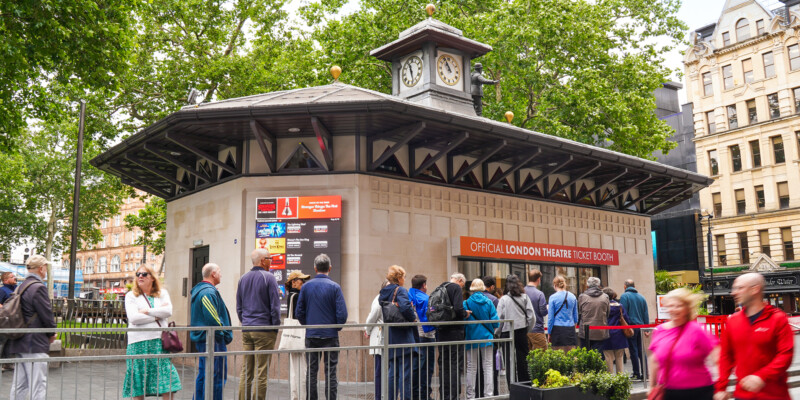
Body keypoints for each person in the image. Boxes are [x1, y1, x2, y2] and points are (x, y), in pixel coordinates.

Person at [714, 273, 794, 400]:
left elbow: (786, 354)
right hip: (743, 395)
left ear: (754, 289)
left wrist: (761, 376)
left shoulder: (778, 318)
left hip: (775, 395)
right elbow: (726, 356)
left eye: (740, 288)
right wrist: (721, 388)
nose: (733, 293)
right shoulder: (732, 321)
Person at [122, 266, 181, 399]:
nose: (140, 276)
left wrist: (147, 311)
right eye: (138, 274)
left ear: (152, 278)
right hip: (137, 343)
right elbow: (134, 318)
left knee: (167, 381)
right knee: (137, 382)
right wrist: (157, 315)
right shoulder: (131, 296)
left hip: (158, 342)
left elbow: (168, 311)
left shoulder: (162, 293)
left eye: (144, 274)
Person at [649, 288, 718, 400]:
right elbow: (654, 360)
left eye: (678, 306)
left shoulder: (697, 331)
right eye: (671, 306)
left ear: (687, 308)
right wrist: (652, 386)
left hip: (699, 392)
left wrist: (721, 388)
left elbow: (717, 358)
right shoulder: (659, 330)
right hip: (668, 392)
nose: (674, 309)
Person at [295, 254, 348, 400]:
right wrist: (335, 327)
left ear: (315, 268)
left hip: (312, 335)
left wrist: (309, 325)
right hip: (331, 336)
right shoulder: (335, 288)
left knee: (311, 371)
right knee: (331, 372)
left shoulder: (305, 287)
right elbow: (342, 314)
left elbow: (299, 312)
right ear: (330, 268)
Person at [5, 255, 56, 400]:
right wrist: (51, 332)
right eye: (46, 268)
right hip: (35, 343)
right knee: (38, 386)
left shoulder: (21, 286)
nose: (46, 271)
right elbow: (46, 314)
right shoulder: (38, 288)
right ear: (41, 269)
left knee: (19, 386)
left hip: (20, 341)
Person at [236, 248, 281, 400]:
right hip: (264, 330)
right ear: (263, 261)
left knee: (246, 371)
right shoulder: (269, 278)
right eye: (270, 259)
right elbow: (275, 307)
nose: (271, 262)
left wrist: (246, 322)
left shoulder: (243, 278)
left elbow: (239, 307)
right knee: (261, 372)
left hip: (247, 329)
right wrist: (274, 328)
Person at [190, 263, 233, 400]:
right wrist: (224, 333)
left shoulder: (204, 290)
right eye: (219, 272)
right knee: (216, 376)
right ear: (213, 274)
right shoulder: (208, 292)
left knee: (204, 374)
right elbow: (212, 318)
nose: (221, 274)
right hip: (213, 339)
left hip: (207, 339)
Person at [379, 265, 418, 400]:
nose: (404, 280)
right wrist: (413, 318)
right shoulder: (400, 290)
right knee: (405, 373)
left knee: (392, 372)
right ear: (399, 277)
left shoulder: (384, 291)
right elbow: (406, 307)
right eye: (404, 277)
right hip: (403, 337)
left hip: (391, 336)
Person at [463, 279, 499, 400]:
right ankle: (488, 395)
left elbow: (463, 321)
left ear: (472, 289)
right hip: (487, 338)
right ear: (483, 288)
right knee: (488, 366)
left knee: (471, 367)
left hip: (471, 338)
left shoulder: (466, 303)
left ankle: (470, 396)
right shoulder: (488, 302)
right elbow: (496, 323)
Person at [496, 274, 534, 385]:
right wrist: (527, 329)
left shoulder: (503, 299)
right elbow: (532, 317)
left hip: (506, 332)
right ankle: (525, 384)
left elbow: (500, 319)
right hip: (521, 331)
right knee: (523, 359)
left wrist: (497, 333)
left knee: (509, 360)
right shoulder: (525, 297)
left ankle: (511, 386)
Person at [436, 273, 469, 400]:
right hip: (455, 332)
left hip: (442, 331)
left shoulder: (441, 287)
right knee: (455, 364)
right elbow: (458, 309)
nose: (462, 287)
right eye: (463, 284)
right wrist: (465, 313)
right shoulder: (455, 288)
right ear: (460, 280)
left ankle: (444, 395)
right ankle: (454, 396)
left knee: (444, 363)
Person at [408, 274, 435, 400]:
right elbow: (432, 316)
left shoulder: (409, 295)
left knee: (415, 367)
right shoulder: (426, 299)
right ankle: (424, 395)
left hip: (414, 336)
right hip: (427, 336)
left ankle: (414, 394)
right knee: (426, 368)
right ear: (423, 285)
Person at [286, 269, 310, 400]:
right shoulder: (298, 296)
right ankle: (301, 396)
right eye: (302, 280)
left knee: (295, 370)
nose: (304, 282)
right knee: (302, 369)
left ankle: (295, 396)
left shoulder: (291, 295)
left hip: (293, 336)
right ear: (294, 282)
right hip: (299, 335)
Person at [619, 279, 649, 381]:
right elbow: (645, 313)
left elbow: (623, 313)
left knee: (633, 350)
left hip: (631, 326)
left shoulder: (624, 296)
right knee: (641, 350)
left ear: (625, 286)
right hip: (641, 327)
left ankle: (636, 373)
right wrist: (646, 328)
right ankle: (646, 373)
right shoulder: (642, 297)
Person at [365, 281, 389, 400]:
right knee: (380, 371)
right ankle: (379, 396)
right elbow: (372, 317)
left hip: (388, 340)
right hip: (380, 340)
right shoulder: (379, 299)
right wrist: (367, 330)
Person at [477, 276, 499, 397]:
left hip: (475, 337)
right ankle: (492, 393)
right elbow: (497, 320)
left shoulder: (470, 300)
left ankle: (478, 393)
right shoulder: (494, 300)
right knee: (490, 366)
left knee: (476, 367)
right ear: (491, 287)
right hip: (490, 336)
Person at [600, 288, 629, 374]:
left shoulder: (603, 307)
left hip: (607, 333)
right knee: (619, 357)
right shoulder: (620, 306)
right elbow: (626, 319)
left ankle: (609, 378)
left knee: (608, 357)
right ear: (613, 295)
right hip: (619, 334)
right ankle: (620, 378)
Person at [577, 277, 609, 352]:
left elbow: (579, 312)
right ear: (599, 286)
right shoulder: (605, 297)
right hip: (600, 330)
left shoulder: (582, 297)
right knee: (598, 357)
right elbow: (607, 313)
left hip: (585, 331)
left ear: (587, 285)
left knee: (585, 356)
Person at [547, 275, 578, 352]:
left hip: (557, 329)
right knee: (570, 356)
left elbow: (551, 318)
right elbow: (576, 317)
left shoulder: (553, 297)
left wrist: (549, 332)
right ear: (564, 284)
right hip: (570, 329)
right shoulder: (573, 297)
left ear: (555, 285)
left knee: (558, 356)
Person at [524, 269, 548, 351]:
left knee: (528, 357)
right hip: (537, 329)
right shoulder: (539, 294)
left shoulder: (521, 292)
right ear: (538, 279)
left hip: (524, 330)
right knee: (542, 356)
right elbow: (543, 312)